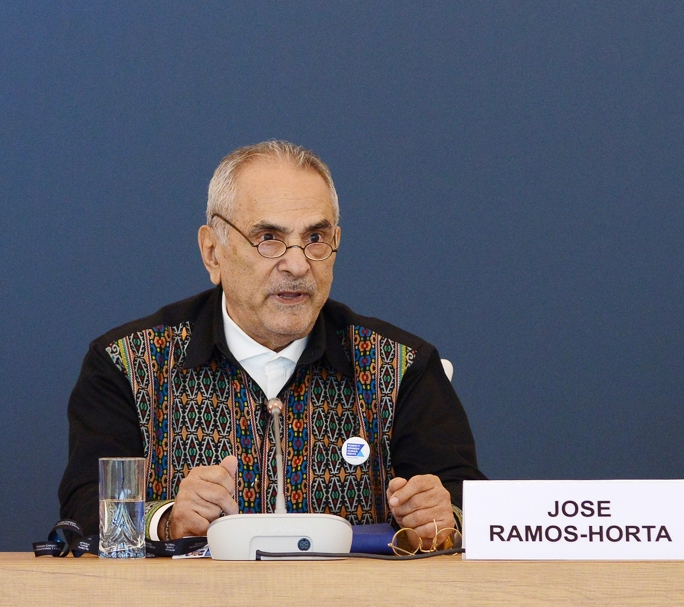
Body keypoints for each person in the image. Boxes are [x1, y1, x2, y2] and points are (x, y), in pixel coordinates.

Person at [58, 140, 484, 550]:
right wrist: (167, 521)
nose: (297, 264)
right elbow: (83, 512)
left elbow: (472, 508)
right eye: (268, 238)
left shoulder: (400, 366)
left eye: (315, 239)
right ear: (213, 252)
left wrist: (443, 517)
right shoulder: (129, 363)